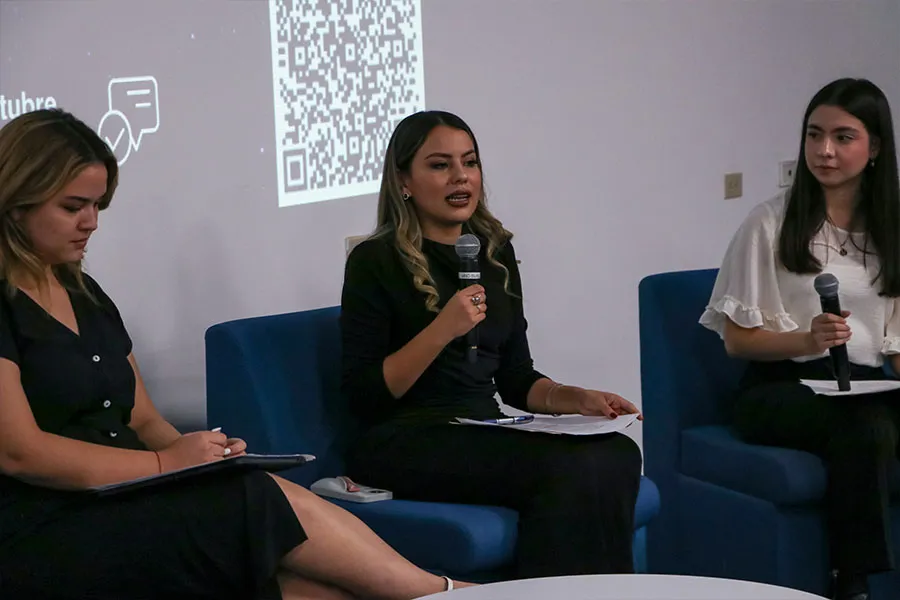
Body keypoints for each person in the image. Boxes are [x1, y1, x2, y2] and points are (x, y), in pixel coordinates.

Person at [0, 108, 475, 600]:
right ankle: (445, 593)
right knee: (251, 499)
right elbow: (18, 451)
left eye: (98, 206)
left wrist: (204, 458)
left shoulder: (86, 293)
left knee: (305, 576)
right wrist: (166, 465)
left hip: (125, 500)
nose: (91, 223)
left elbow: (142, 420)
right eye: (74, 206)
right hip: (44, 521)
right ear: (17, 203)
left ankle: (441, 592)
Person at [339, 109, 643, 578]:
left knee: (619, 453)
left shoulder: (493, 252)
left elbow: (517, 378)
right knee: (567, 471)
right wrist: (443, 327)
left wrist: (575, 399)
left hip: (486, 424)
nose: (461, 176)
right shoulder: (373, 261)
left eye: (470, 162)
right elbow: (365, 394)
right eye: (440, 165)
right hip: (404, 437)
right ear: (404, 180)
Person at [700, 78, 900, 600]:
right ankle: (852, 582)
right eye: (814, 135)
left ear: (875, 147)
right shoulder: (769, 222)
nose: (824, 150)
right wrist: (806, 339)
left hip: (865, 384)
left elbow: (895, 348)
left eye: (842, 136)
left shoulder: (891, 230)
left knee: (870, 415)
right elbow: (738, 342)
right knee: (867, 427)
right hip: (779, 386)